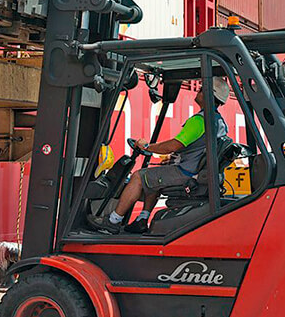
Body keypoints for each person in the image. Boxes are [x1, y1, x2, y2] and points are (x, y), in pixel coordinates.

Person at [87, 77, 230, 235]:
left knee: (138, 177)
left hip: (186, 173)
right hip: (194, 171)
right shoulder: (219, 121)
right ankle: (142, 220)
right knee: (153, 177)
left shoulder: (199, 121)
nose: (198, 91)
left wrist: (147, 146)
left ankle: (113, 220)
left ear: (209, 95)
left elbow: (173, 145)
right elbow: (198, 149)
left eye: (202, 89)